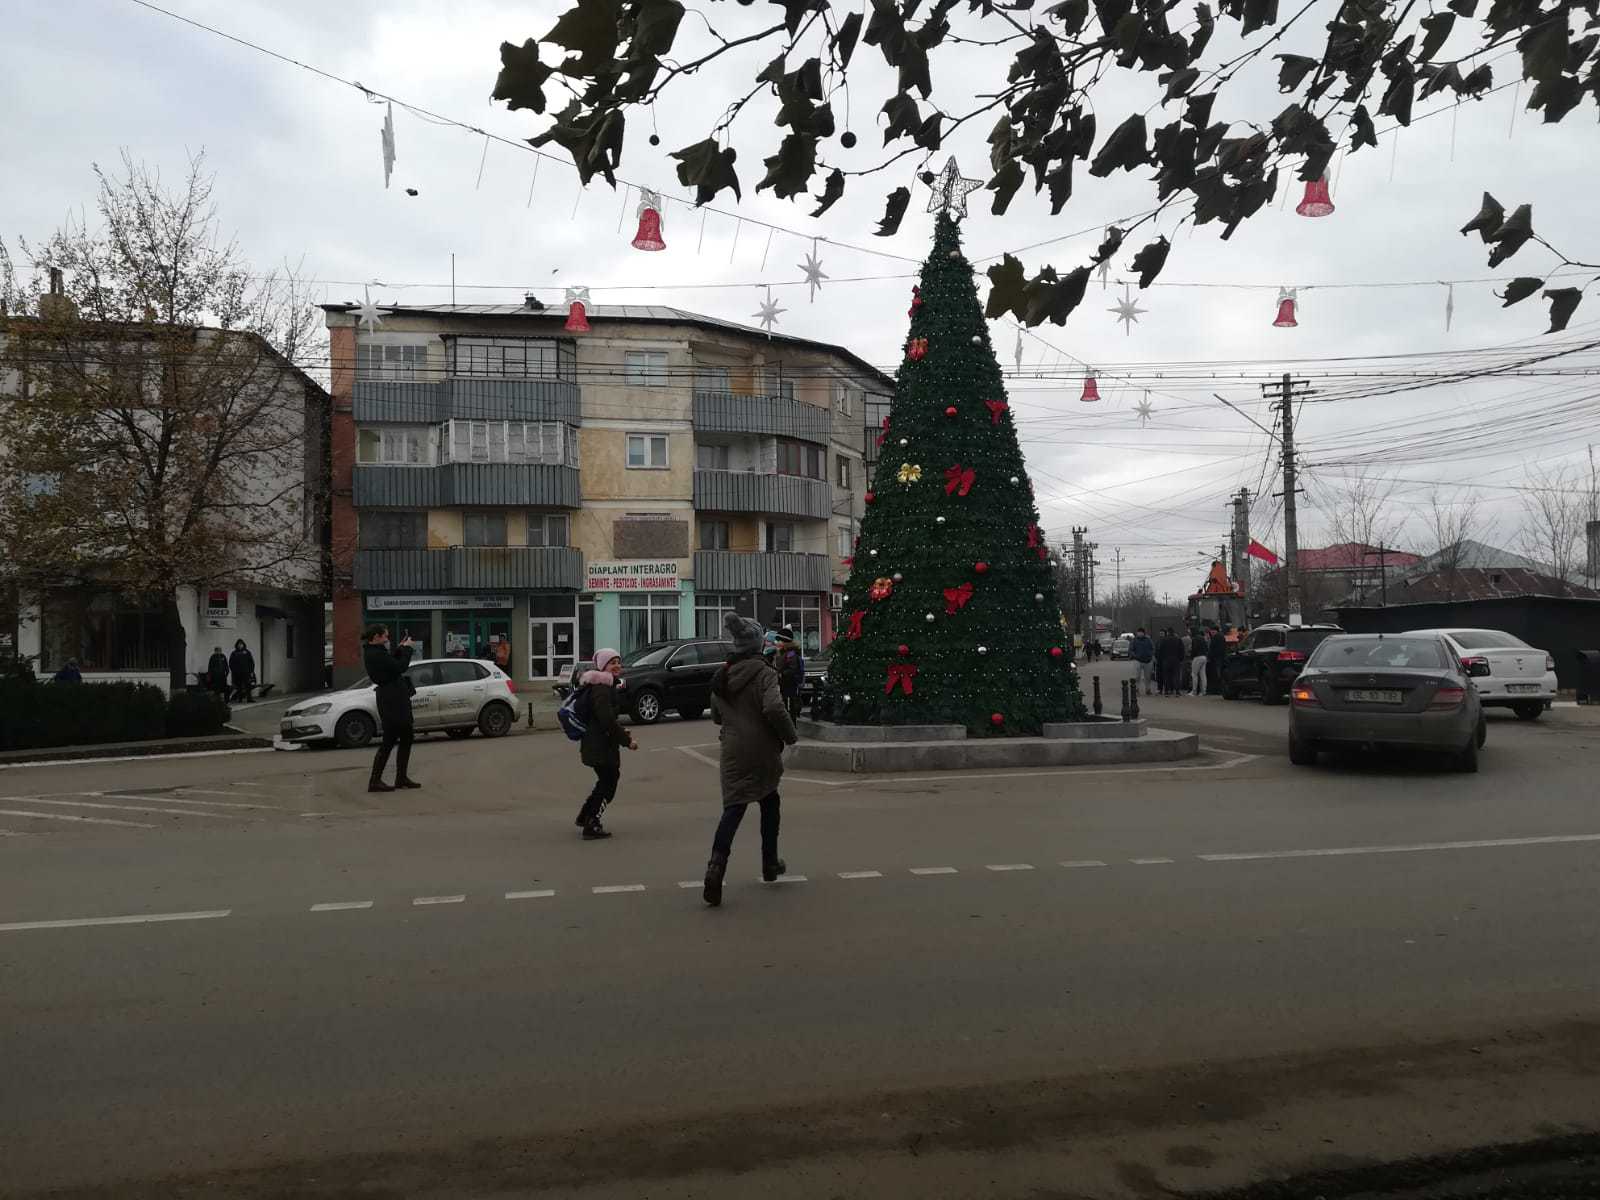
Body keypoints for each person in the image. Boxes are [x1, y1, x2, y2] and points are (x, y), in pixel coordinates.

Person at [703, 614, 799, 908]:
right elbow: (774, 707)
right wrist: (790, 735)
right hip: (762, 749)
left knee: (733, 808)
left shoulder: (723, 674)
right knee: (769, 801)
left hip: (732, 750)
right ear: (757, 644)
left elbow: (716, 715)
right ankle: (770, 862)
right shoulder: (764, 672)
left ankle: (715, 867)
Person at [573, 648, 636, 840]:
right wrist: (627, 741)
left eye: (618, 661)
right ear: (602, 667)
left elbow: (606, 719)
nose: (617, 665)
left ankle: (586, 815)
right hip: (599, 745)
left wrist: (620, 732)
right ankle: (591, 822)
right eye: (612, 663)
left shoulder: (605, 685)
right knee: (609, 783)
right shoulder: (601, 688)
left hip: (598, 742)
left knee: (605, 780)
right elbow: (606, 720)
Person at [364, 624, 421, 793]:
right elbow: (400, 667)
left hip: (395, 697)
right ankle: (375, 781)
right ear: (376, 637)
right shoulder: (375, 654)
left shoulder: (377, 652)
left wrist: (400, 649)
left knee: (406, 736)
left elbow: (391, 663)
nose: (387, 640)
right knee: (389, 740)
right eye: (385, 636)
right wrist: (408, 649)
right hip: (392, 700)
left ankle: (401, 777)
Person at [772, 626, 805, 721]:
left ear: (786, 642)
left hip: (789, 684)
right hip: (784, 683)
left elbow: (792, 668)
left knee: (790, 705)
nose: (777, 642)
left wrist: (782, 674)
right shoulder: (782, 652)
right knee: (784, 704)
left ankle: (791, 722)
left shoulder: (791, 653)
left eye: (779, 640)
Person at [1157, 628, 1186, 695]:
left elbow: (1160, 651)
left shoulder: (1164, 640)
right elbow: (1182, 650)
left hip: (1166, 660)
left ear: (1168, 632)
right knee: (1176, 675)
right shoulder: (1178, 640)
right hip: (1176, 660)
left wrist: (1160, 660)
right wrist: (1180, 659)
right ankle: (1177, 691)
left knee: (1166, 676)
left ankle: (1167, 691)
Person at [228, 638, 255, 703]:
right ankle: (240, 699)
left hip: (246, 672)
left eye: (241, 644)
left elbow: (251, 662)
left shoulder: (247, 652)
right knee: (239, 686)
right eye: (239, 644)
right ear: (237, 645)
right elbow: (231, 663)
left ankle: (249, 699)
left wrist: (251, 671)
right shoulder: (234, 653)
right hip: (237, 673)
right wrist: (234, 671)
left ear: (243, 645)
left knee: (248, 685)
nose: (240, 645)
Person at [1129, 628, 1155, 696]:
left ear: (1144, 633)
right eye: (1138, 632)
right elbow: (1131, 649)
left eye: (1141, 632)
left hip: (1148, 660)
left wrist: (1150, 654)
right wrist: (1135, 655)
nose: (1139, 634)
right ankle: (1137, 689)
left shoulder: (1148, 640)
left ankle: (1148, 689)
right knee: (1137, 676)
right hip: (1138, 660)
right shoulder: (1134, 640)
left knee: (1148, 677)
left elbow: (1153, 648)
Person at [1206, 626, 1228, 696]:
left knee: (1216, 674)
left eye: (1212, 631)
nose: (1211, 632)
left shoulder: (1216, 637)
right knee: (1219, 674)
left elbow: (1213, 648)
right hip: (1220, 658)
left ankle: (1217, 689)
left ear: (1216, 631)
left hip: (1216, 659)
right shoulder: (1221, 636)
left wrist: (1210, 656)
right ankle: (1219, 689)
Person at [1188, 627, 1209, 695]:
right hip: (1204, 657)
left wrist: (1191, 657)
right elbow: (1207, 648)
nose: (1189, 633)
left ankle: (1194, 691)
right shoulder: (1203, 638)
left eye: (1190, 631)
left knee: (1194, 674)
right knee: (1203, 675)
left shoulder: (1194, 639)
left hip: (1197, 657)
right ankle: (1203, 691)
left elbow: (1194, 649)